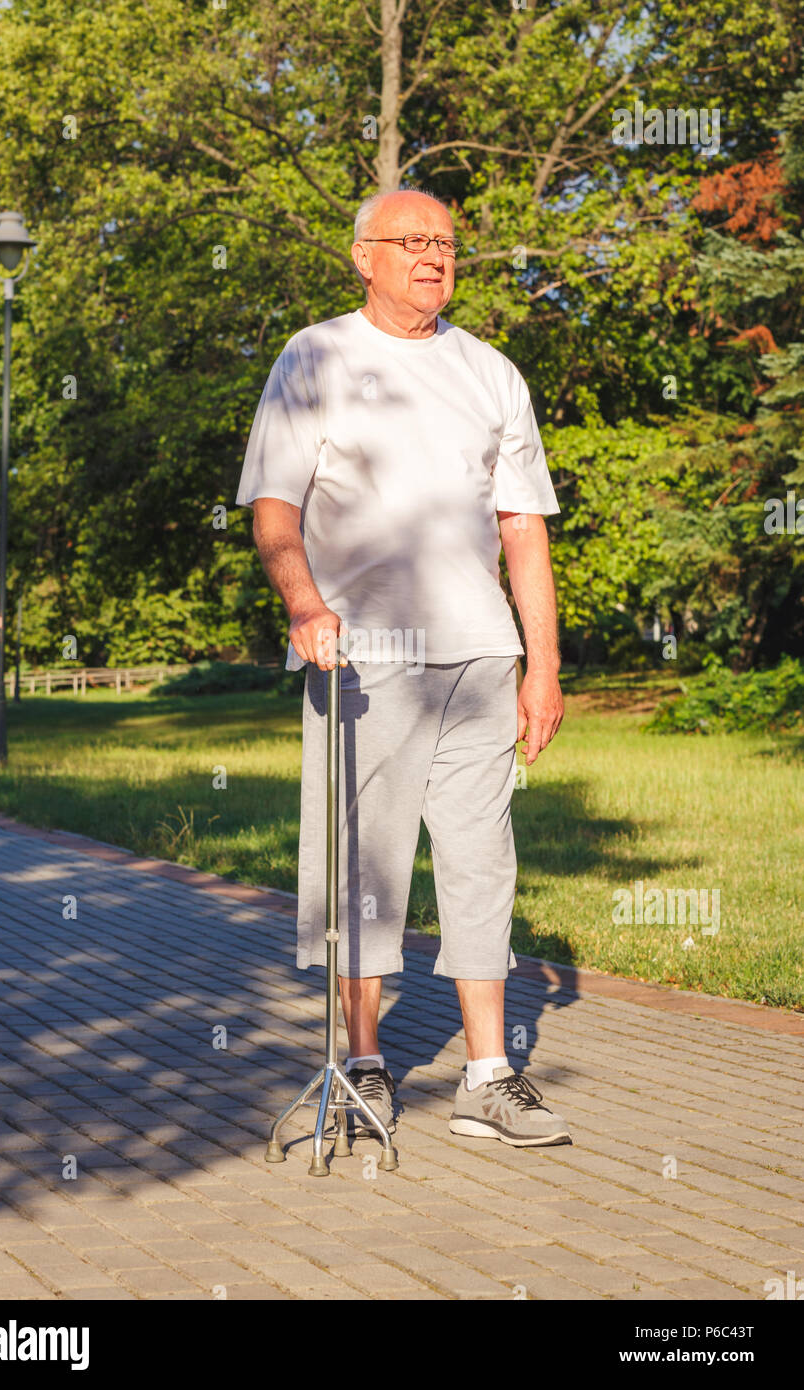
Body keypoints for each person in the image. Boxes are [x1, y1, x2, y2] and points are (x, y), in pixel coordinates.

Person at [236, 188, 570, 1148]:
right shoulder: (316, 357)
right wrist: (304, 601)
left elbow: (523, 529)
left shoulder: (491, 372)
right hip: (366, 657)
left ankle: (488, 1076)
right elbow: (274, 509)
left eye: (446, 243)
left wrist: (541, 664)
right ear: (363, 256)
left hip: (480, 655)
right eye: (411, 241)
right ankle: (366, 1062)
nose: (433, 256)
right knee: (365, 868)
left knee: (481, 862)